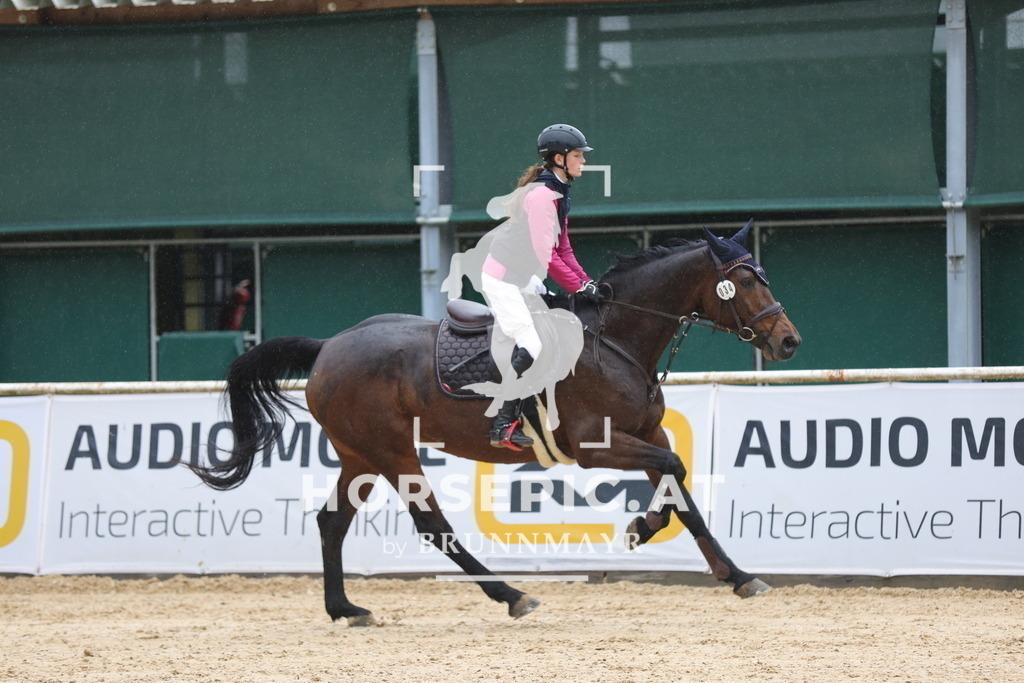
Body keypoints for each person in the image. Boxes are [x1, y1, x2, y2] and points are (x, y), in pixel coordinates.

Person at [480, 124, 602, 450]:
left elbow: (564, 249)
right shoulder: (541, 196)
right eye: (578, 156)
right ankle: (503, 423)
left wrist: (585, 282)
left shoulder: (559, 191)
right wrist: (577, 286)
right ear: (559, 158)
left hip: (523, 276)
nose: (583, 162)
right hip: (502, 279)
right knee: (531, 345)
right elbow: (546, 256)